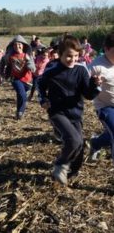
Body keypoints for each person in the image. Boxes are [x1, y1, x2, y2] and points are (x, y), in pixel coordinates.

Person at [38, 35, 101, 185]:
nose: (72, 59)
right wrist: (43, 100)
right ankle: (60, 164)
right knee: (74, 141)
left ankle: (69, 174)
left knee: (79, 148)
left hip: (75, 113)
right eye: (68, 56)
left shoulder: (80, 70)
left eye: (76, 56)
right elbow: (41, 86)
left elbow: (88, 95)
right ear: (60, 54)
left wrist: (95, 85)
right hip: (57, 112)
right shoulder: (52, 70)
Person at [88, 32, 114, 160]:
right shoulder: (96, 66)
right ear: (107, 49)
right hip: (105, 106)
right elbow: (81, 82)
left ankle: (95, 143)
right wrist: (93, 83)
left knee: (111, 134)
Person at [4, 35, 35, 119]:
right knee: (22, 95)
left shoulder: (27, 55)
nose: (17, 46)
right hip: (16, 79)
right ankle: (20, 112)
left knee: (20, 96)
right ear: (12, 46)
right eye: (15, 45)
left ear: (23, 45)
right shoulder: (10, 56)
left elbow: (33, 68)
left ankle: (18, 111)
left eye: (19, 44)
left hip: (27, 81)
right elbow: (4, 64)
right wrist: (3, 73)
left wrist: (28, 61)